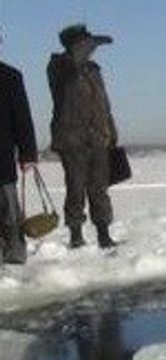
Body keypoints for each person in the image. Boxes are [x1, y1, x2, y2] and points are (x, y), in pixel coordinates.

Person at [48, 24, 118, 249]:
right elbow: (74, 61)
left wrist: (111, 131)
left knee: (99, 188)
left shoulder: (93, 69)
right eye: (86, 42)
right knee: (76, 188)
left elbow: (103, 105)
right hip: (71, 139)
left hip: (97, 137)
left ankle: (103, 233)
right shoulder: (60, 66)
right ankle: (75, 235)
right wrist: (92, 41)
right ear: (76, 44)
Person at [0, 58, 38, 265]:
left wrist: (28, 153)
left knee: (9, 213)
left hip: (2, 159)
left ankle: (14, 259)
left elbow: (22, 117)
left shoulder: (10, 76)